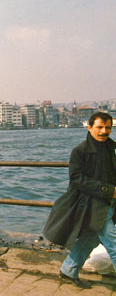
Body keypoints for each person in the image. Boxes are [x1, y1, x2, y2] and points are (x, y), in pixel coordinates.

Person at [43, 112, 116, 289]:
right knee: (114, 244)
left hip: (109, 203)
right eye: (99, 127)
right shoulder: (80, 151)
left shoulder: (112, 148)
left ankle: (69, 269)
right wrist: (109, 190)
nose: (104, 131)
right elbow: (77, 179)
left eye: (107, 127)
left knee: (90, 240)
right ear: (89, 127)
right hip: (92, 205)